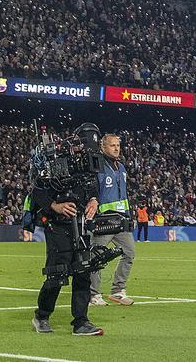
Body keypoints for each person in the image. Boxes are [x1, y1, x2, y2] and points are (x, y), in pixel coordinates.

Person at [27, 124, 103, 336]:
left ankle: (81, 321)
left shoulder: (90, 164)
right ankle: (41, 315)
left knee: (83, 271)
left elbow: (94, 187)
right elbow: (36, 192)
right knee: (58, 273)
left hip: (80, 222)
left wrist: (94, 200)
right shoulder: (58, 161)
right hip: (57, 224)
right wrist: (54, 206)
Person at [90, 134, 137, 307]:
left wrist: (129, 215)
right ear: (103, 147)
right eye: (112, 145)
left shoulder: (122, 168)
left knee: (129, 252)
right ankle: (93, 294)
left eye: (118, 145)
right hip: (103, 221)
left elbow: (123, 195)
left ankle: (118, 291)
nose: (116, 148)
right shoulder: (97, 166)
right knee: (96, 258)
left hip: (121, 220)